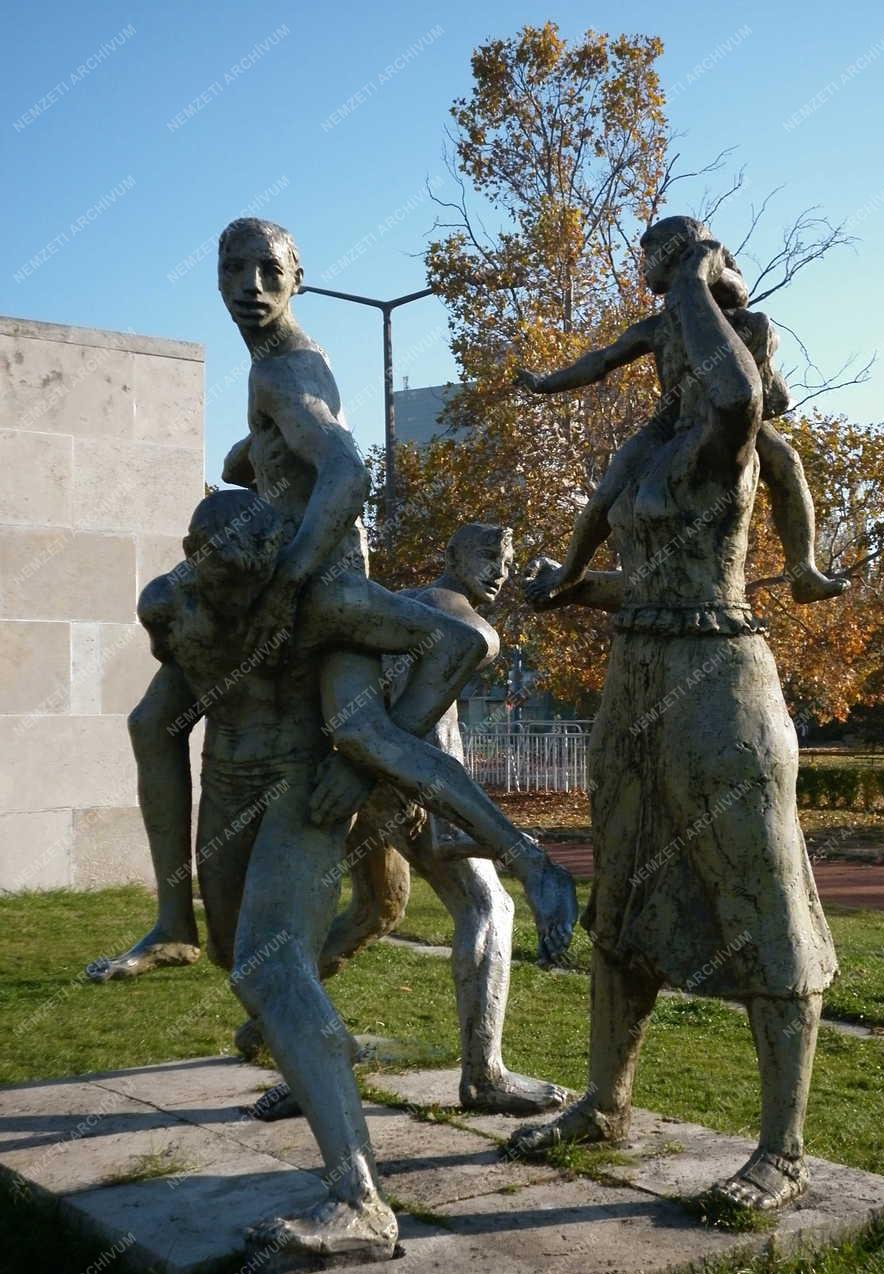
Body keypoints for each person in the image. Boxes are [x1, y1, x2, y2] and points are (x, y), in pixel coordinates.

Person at [86, 216, 575, 984]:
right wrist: (251, 457)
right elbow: (305, 457)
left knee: (369, 738)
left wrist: (286, 582)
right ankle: (175, 920)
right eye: (235, 269)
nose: (252, 287)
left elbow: (347, 473)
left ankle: (532, 862)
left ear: (298, 278)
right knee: (153, 720)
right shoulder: (278, 375)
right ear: (215, 276)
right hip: (291, 580)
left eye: (270, 272)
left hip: (325, 588)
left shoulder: (284, 370)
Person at [510, 228, 838, 1213]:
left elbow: (735, 395)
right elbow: (644, 581)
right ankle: (605, 1101)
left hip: (719, 680)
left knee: (760, 888)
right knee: (627, 886)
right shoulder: (644, 449)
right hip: (638, 678)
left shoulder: (728, 440)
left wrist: (692, 273)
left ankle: (780, 1148)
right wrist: (565, 594)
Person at [319, 523, 566, 1116]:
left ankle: (278, 1025)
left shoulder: (405, 605)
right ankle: (484, 1075)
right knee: (489, 906)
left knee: (375, 909)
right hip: (406, 783)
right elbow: (415, 721)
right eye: (486, 555)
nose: (500, 570)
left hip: (366, 779)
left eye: (505, 558)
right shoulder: (462, 621)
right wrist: (436, 809)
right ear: (449, 555)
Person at [517, 215, 848, 609]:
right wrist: (545, 383)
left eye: (649, 258)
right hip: (668, 424)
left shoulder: (742, 325)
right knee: (606, 494)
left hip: (726, 421)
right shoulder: (655, 328)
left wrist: (706, 264)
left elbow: (757, 387)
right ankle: (569, 573)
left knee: (787, 461)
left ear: (675, 256)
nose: (643, 269)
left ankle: (804, 570)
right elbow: (601, 361)